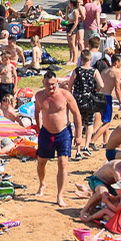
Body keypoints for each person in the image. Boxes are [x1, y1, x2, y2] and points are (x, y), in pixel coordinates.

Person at [35, 69, 83, 207]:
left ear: (57, 82)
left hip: (63, 132)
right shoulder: (39, 96)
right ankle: (42, 184)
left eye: (53, 84)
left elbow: (77, 114)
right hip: (46, 132)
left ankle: (60, 195)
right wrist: (39, 129)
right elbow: (37, 112)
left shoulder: (65, 95)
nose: (51, 87)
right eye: (48, 84)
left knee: (63, 163)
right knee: (41, 162)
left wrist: (79, 135)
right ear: (43, 83)